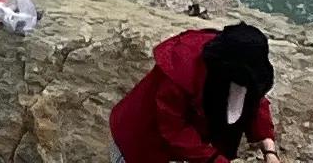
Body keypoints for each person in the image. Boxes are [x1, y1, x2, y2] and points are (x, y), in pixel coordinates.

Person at [111, 24, 278, 163]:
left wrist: (269, 149)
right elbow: (174, 131)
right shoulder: (180, 71)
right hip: (139, 141)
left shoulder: (236, 59)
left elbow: (254, 98)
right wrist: (216, 160)